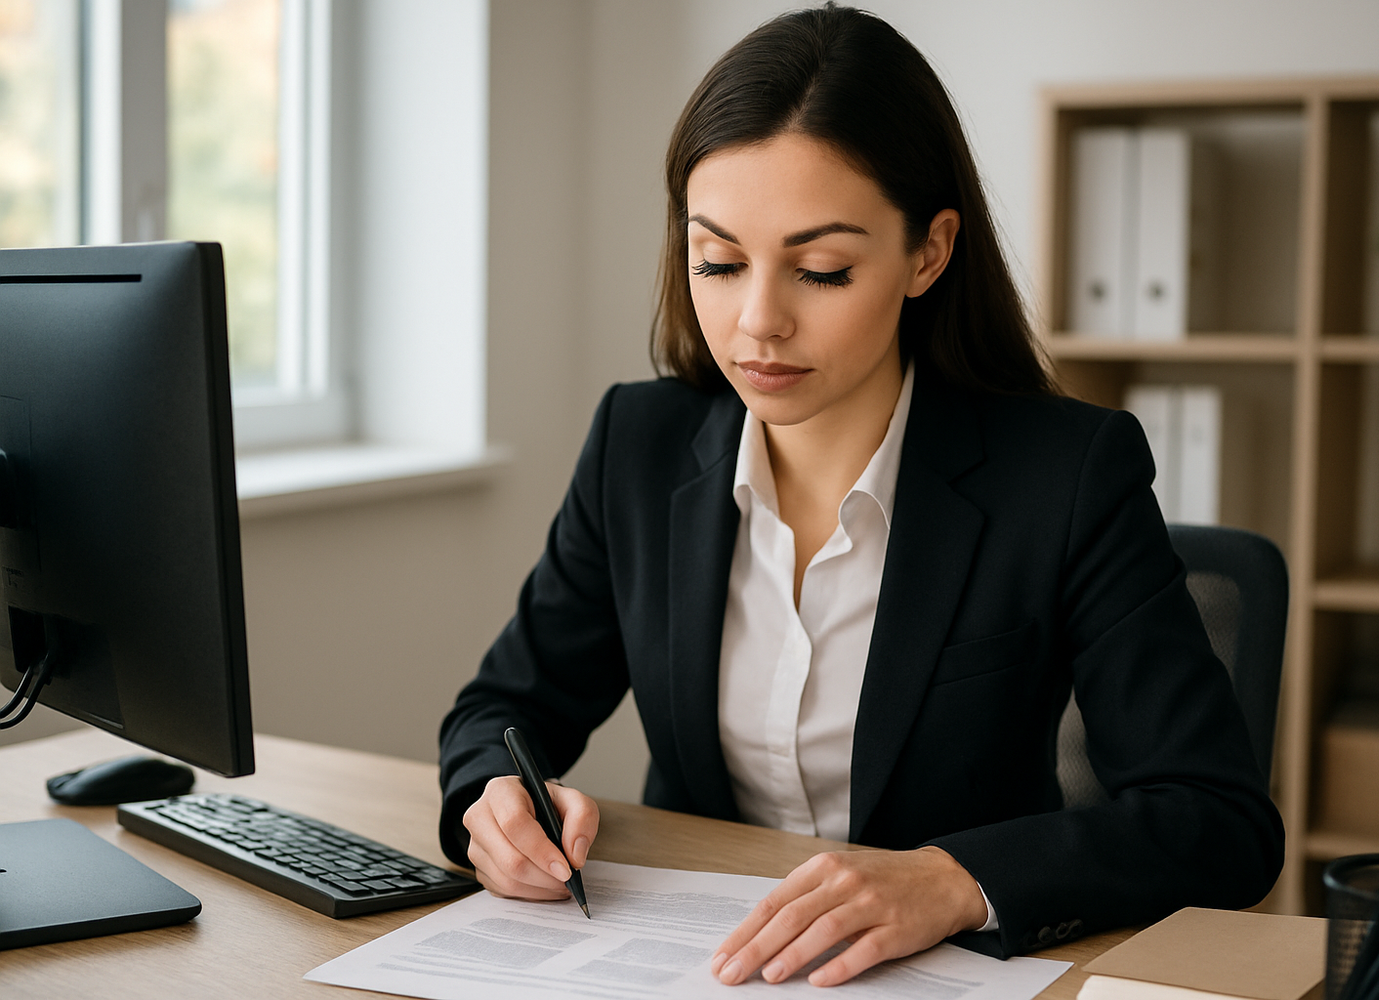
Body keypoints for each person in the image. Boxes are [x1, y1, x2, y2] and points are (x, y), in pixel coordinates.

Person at [439, 2, 1283, 988]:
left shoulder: (1065, 473)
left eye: (822, 268)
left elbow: (1218, 818)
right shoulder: (641, 444)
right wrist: (494, 800)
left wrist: (958, 877)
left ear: (928, 251)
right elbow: (503, 708)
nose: (757, 321)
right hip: (694, 966)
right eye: (717, 260)